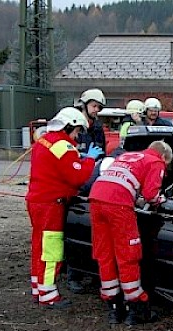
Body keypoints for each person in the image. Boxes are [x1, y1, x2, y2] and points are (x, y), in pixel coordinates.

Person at [26, 107, 104, 308]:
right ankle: (49, 295)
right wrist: (89, 161)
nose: (78, 137)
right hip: (51, 204)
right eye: (78, 132)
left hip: (37, 201)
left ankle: (39, 288)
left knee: (39, 246)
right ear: (69, 126)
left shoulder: (44, 141)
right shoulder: (63, 145)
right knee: (51, 250)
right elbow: (77, 177)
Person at [88, 141, 173, 325]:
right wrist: (163, 199)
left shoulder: (127, 155)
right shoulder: (155, 162)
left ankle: (114, 306)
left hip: (96, 199)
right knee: (128, 255)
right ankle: (137, 308)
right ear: (164, 157)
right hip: (118, 204)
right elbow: (151, 194)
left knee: (105, 254)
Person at [68, 88, 108, 294]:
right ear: (84, 105)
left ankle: (89, 272)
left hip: (91, 183)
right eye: (94, 106)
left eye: (99, 108)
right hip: (74, 185)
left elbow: (101, 154)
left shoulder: (97, 128)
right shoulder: (73, 126)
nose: (96, 110)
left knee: (90, 231)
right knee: (73, 229)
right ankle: (72, 274)